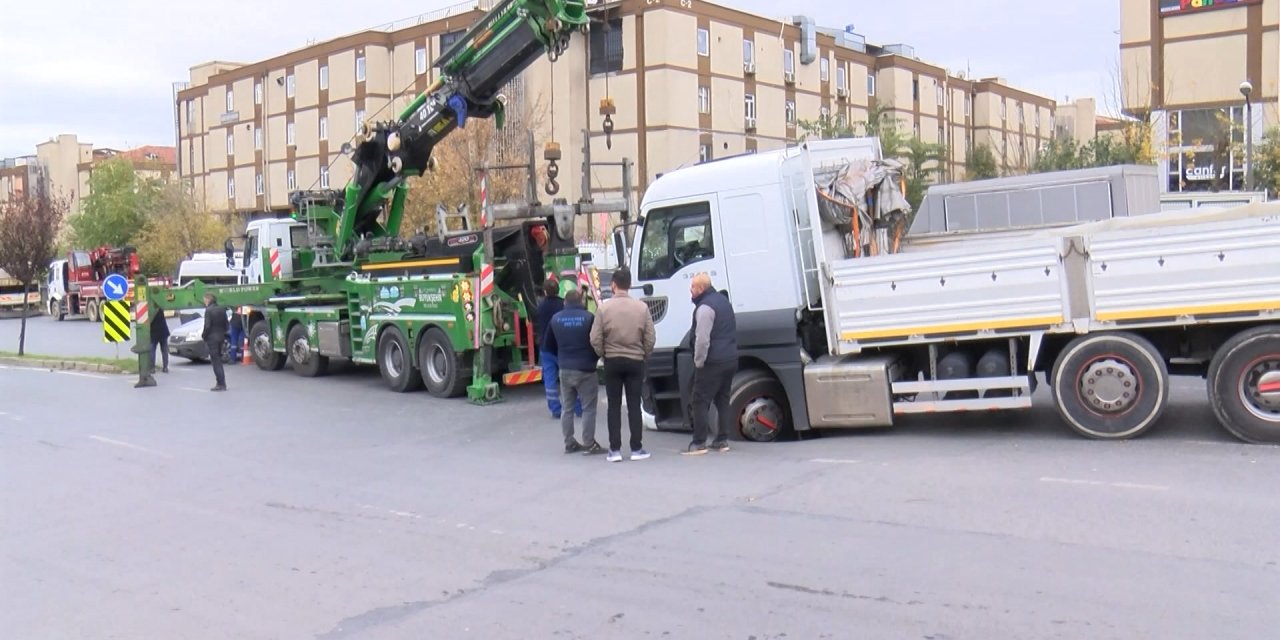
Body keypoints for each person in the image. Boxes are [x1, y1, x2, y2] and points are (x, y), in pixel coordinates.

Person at [589, 268, 655, 462]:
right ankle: (636, 448)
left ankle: (614, 450)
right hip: (635, 360)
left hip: (613, 360)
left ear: (613, 285)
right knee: (634, 404)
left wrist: (604, 354)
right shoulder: (641, 308)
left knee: (613, 405)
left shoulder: (603, 309)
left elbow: (595, 338)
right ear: (629, 284)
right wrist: (644, 354)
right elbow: (650, 337)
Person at [682, 273, 739, 455]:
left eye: (692, 287)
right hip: (730, 358)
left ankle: (699, 442)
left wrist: (699, 362)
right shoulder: (724, 302)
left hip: (712, 361)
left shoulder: (705, 308)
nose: (690, 290)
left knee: (700, 400)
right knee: (722, 399)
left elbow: (702, 340)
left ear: (701, 288)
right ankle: (722, 440)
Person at [544, 289, 604, 455]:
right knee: (588, 408)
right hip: (586, 368)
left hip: (565, 368)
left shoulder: (555, 319)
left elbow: (548, 345)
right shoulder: (589, 318)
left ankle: (569, 443)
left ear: (565, 302)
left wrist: (562, 355)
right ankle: (589, 443)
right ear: (581, 301)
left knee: (567, 408)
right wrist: (594, 359)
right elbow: (596, 341)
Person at [535, 279, 581, 419]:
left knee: (550, 379)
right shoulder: (563, 304)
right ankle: (578, 407)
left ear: (544, 291)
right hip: (563, 347)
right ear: (558, 290)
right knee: (571, 378)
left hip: (546, 348)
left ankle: (555, 409)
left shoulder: (540, 306)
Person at [202, 293, 229, 391]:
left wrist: (204, 336)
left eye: (204, 300)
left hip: (212, 338)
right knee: (219, 359)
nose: (204, 302)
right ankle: (222, 382)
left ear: (208, 300)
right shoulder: (221, 308)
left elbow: (207, 326)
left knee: (216, 361)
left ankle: (221, 383)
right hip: (220, 337)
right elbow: (226, 323)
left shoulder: (208, 310)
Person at [150, 305, 171, 374]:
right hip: (163, 331)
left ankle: (152, 368)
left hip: (153, 332)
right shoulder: (160, 307)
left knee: (152, 350)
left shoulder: (150, 309)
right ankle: (165, 367)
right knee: (164, 350)